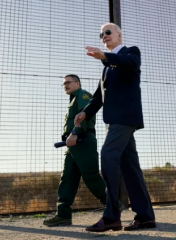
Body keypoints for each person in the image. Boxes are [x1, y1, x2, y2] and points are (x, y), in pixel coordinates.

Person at [74, 23, 155, 232]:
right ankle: (145, 216)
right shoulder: (107, 69)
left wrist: (105, 57)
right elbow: (99, 96)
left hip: (125, 118)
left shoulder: (130, 53)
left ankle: (111, 216)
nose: (104, 36)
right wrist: (85, 113)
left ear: (119, 34)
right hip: (114, 121)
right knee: (131, 168)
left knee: (108, 156)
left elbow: (130, 63)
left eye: (108, 32)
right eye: (101, 34)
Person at [43, 74, 108, 227]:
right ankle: (63, 215)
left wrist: (75, 133)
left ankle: (113, 205)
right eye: (63, 84)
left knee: (91, 176)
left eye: (68, 82)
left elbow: (85, 115)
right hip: (72, 143)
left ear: (77, 83)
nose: (65, 85)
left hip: (83, 140)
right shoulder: (72, 99)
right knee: (67, 178)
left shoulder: (84, 95)